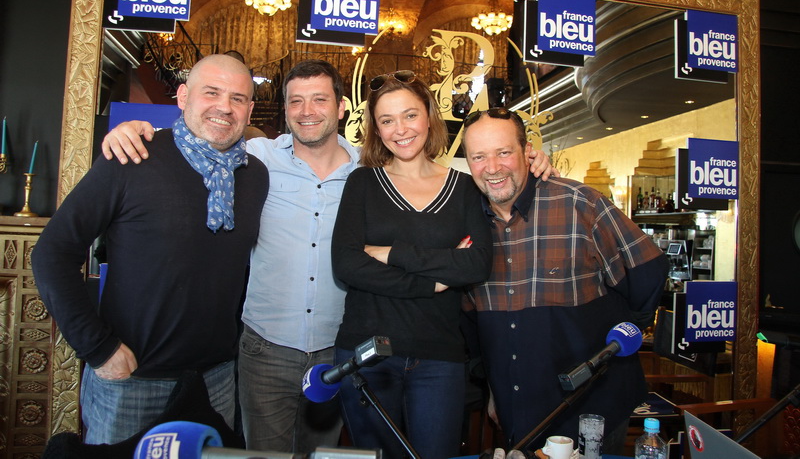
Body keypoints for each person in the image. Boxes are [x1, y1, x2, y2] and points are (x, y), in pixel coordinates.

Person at [101, 62, 556, 454]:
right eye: (296, 101)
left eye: (319, 99)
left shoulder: (371, 172)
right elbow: (204, 137)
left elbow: (490, 193)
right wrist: (145, 132)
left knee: (329, 456)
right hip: (268, 346)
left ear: (341, 109)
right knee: (265, 458)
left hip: (343, 347)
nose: (307, 111)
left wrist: (531, 163)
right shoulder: (257, 158)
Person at [31, 54, 269, 445]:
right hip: (132, 381)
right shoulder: (133, 155)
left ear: (249, 109)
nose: (224, 107)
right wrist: (98, 347)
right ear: (182, 97)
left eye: (238, 98)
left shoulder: (255, 175)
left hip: (217, 380)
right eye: (211, 92)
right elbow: (52, 253)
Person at [460, 108, 669, 454]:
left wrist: (620, 345)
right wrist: (494, 391)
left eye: (504, 152)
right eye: (478, 156)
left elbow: (647, 273)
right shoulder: (468, 226)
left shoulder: (578, 203)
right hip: (519, 412)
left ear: (527, 153)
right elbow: (476, 325)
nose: (492, 167)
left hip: (593, 410)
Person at [330, 71, 493, 459]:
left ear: (429, 117)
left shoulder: (466, 187)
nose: (400, 129)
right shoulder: (363, 183)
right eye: (386, 121)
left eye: (409, 115)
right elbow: (347, 263)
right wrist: (430, 282)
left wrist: (390, 253)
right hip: (367, 353)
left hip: (440, 357)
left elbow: (475, 264)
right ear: (376, 130)